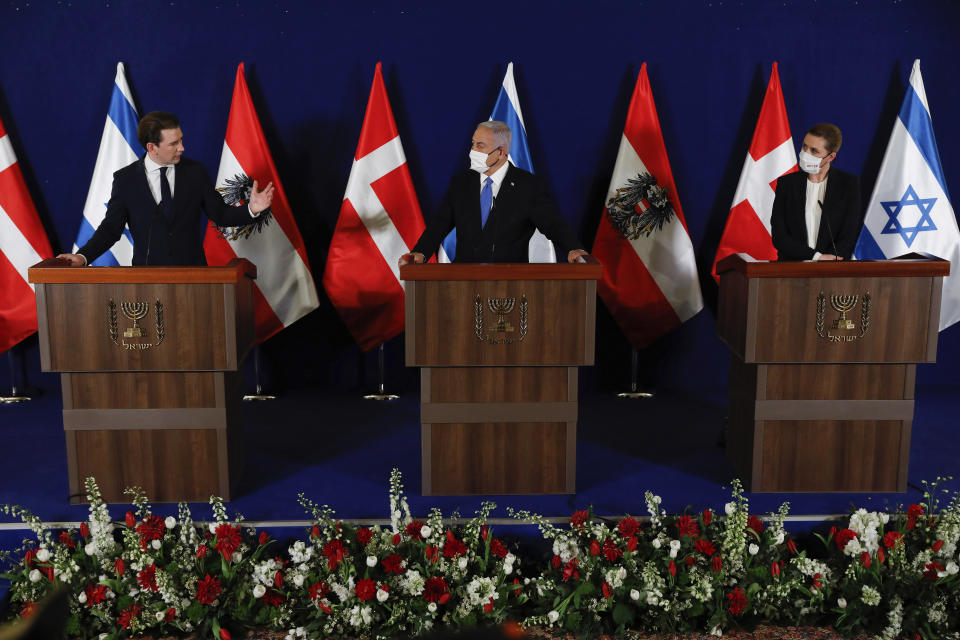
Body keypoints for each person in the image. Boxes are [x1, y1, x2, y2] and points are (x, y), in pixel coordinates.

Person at [57, 111, 274, 267]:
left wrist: (251, 209)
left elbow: (221, 214)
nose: (182, 148)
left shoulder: (195, 172)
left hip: (194, 277)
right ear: (152, 147)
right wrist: (83, 256)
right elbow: (111, 229)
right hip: (147, 280)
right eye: (174, 144)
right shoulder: (126, 180)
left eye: (181, 140)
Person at [398, 121, 588, 265]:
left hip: (510, 282)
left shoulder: (527, 185)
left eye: (480, 146)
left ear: (501, 152)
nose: (473, 151)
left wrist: (573, 248)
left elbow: (553, 223)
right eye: (473, 144)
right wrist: (420, 252)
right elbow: (440, 223)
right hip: (462, 281)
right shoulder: (461, 183)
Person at [770, 122, 861, 261]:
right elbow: (779, 237)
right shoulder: (787, 184)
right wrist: (816, 257)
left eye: (814, 151)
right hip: (791, 269)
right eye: (804, 147)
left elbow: (848, 236)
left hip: (831, 272)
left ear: (831, 157)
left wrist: (828, 261)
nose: (806, 154)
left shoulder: (848, 185)